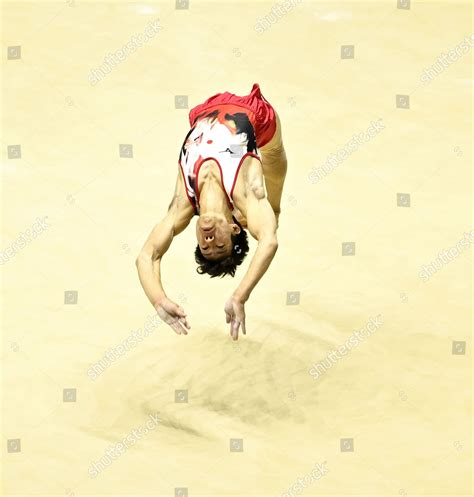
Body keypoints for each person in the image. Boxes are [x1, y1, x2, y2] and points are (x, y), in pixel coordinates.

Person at [136, 83, 287, 340]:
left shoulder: (182, 205)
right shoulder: (246, 194)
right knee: (274, 157)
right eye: (219, 245)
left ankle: (270, 214)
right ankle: (275, 209)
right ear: (234, 228)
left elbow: (147, 256)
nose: (209, 241)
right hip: (254, 114)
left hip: (204, 113)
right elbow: (269, 242)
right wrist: (240, 296)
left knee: (263, 214)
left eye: (206, 247)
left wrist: (158, 301)